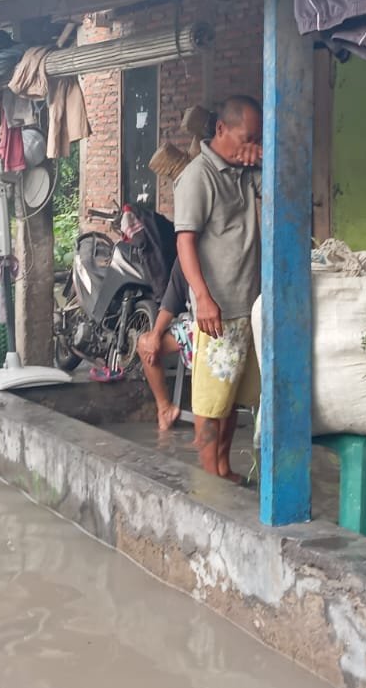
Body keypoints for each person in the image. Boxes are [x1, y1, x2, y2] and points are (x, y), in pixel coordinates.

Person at [174, 95, 263, 482]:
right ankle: (210, 478)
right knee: (211, 402)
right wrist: (204, 298)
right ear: (221, 130)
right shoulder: (198, 176)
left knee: (233, 401)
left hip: (250, 305)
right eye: (247, 137)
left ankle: (223, 468)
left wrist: (263, 159)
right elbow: (185, 242)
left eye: (257, 138)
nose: (251, 145)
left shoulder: (248, 170)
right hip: (218, 313)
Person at [136, 265, 197, 432]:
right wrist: (155, 335)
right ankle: (165, 409)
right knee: (145, 344)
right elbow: (170, 304)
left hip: (229, 325)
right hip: (195, 327)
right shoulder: (183, 260)